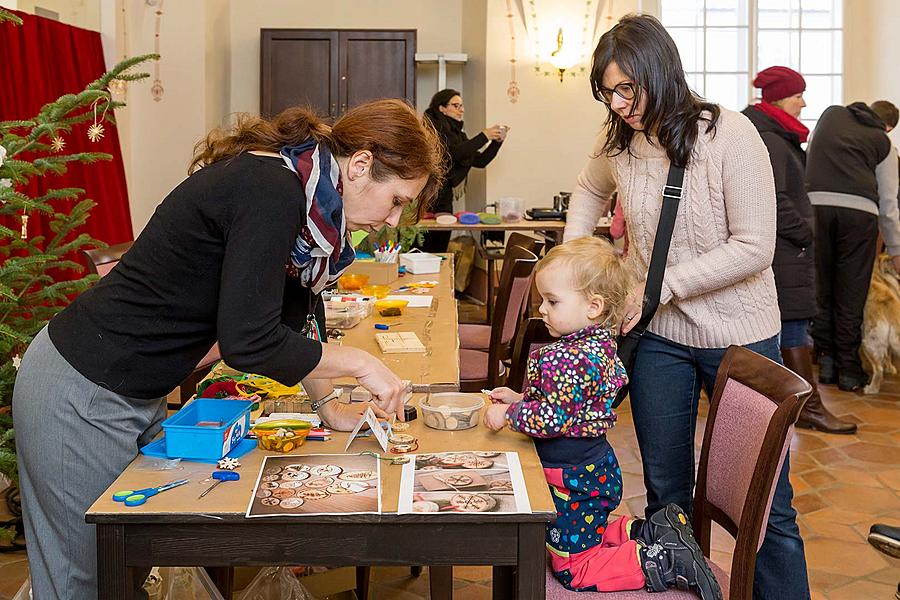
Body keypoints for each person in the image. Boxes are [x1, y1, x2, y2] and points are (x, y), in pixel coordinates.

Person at [11, 99, 444, 600]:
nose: (392, 221)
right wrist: (362, 363)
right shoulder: (272, 189)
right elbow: (249, 342)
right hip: (79, 386)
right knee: (82, 579)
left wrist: (329, 405)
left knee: (121, 571)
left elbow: (291, 322)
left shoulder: (303, 206)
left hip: (131, 387)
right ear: (361, 164)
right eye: (395, 200)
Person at [564, 14, 809, 600]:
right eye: (608, 91)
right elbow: (589, 188)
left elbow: (755, 246)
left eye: (629, 88)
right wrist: (575, 260)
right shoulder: (618, 138)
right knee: (666, 495)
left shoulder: (727, 133)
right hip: (660, 339)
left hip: (740, 339)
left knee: (766, 506)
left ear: (662, 72)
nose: (620, 104)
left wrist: (661, 284)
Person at [483, 237, 721, 599]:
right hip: (590, 469)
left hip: (574, 478)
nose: (542, 310)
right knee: (578, 532)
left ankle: (664, 559)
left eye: (552, 301)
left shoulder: (568, 358)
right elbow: (572, 406)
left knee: (572, 566)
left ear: (593, 306)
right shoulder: (596, 345)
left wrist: (509, 414)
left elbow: (552, 419)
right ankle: (651, 531)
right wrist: (520, 399)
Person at [742, 66, 856, 434]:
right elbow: (772, 199)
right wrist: (806, 233)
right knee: (791, 329)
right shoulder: (772, 138)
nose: (803, 103)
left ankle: (795, 408)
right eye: (797, 96)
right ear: (777, 98)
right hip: (784, 251)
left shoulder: (773, 134)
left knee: (792, 328)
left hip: (786, 251)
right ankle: (808, 409)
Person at [806, 99, 900, 391]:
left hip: (815, 209)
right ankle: (848, 370)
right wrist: (896, 250)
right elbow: (888, 202)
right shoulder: (882, 142)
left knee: (822, 287)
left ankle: (826, 365)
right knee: (851, 290)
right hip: (860, 215)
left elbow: (810, 154)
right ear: (887, 126)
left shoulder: (830, 114)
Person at [420, 88, 507, 252]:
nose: (462, 110)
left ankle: (438, 278)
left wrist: (497, 142)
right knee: (424, 245)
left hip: (444, 196)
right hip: (427, 194)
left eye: (462, 105)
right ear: (442, 108)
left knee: (440, 247)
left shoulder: (459, 135)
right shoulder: (433, 131)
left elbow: (480, 161)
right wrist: (484, 135)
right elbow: (455, 154)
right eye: (456, 105)